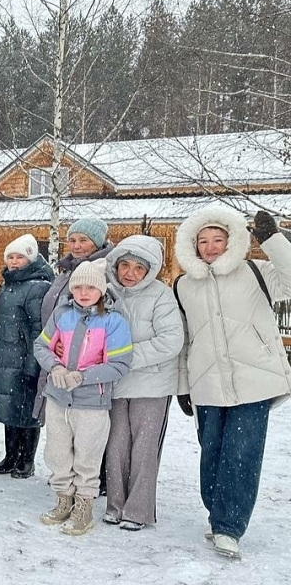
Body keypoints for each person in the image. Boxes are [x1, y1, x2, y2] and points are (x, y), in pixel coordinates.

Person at [173, 207, 291, 559]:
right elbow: (185, 340)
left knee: (242, 453)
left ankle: (229, 526)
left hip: (254, 380)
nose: (210, 247)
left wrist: (272, 240)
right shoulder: (184, 285)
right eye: (203, 241)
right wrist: (183, 386)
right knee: (212, 452)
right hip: (206, 382)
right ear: (193, 246)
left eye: (218, 240)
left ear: (232, 241)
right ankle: (217, 515)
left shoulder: (256, 271)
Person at [34, 259, 133, 536]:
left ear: (101, 289)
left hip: (92, 402)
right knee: (57, 452)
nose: (84, 292)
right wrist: (55, 367)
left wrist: (83, 376)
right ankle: (63, 499)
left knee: (87, 456)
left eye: (90, 287)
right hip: (58, 397)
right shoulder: (62, 314)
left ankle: (84, 507)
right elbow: (41, 345)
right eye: (78, 287)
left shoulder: (113, 320)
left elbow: (119, 364)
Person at [102, 235, 183, 531]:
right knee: (116, 446)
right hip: (115, 384)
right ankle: (115, 506)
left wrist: (126, 357)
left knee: (144, 449)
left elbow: (172, 340)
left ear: (149, 271)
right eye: (125, 265)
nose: (130, 273)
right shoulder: (107, 293)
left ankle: (137, 511)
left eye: (139, 268)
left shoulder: (161, 295)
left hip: (151, 384)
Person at [0, 235, 55, 479]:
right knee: (10, 409)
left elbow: (39, 329)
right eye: (11, 257)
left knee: (27, 411)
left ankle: (26, 460)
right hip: (4, 359)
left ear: (31, 259)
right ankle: (11, 456)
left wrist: (33, 365)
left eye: (20, 257)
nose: (14, 262)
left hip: (23, 360)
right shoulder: (8, 284)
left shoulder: (38, 287)